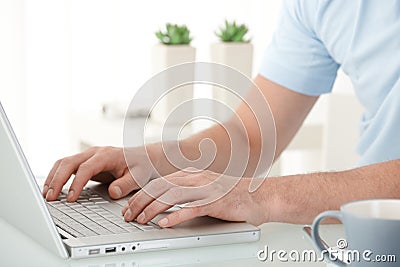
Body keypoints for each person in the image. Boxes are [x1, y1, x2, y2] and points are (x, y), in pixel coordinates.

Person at [43, 0, 400, 228]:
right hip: (373, 230)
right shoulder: (318, 6)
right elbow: (251, 133)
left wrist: (263, 197)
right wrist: (155, 159)